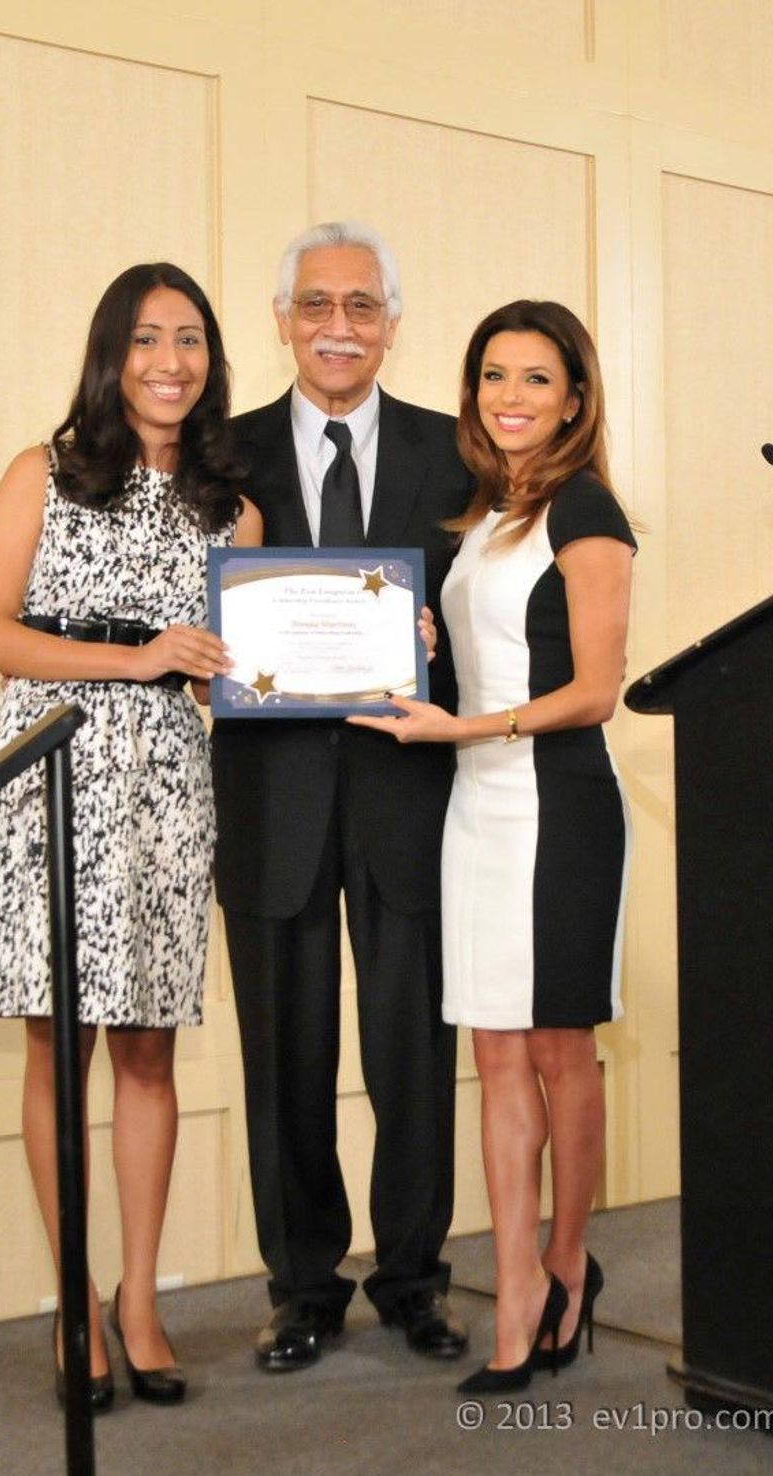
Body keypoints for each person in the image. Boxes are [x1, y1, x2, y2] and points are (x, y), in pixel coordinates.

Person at [0, 263, 261, 1409]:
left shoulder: (232, 508)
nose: (169, 363)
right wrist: (134, 657)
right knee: (59, 1044)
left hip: (171, 789)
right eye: (146, 340)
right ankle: (74, 1301)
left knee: (148, 1052)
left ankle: (140, 1301)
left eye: (189, 340)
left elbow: (253, 670)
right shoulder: (40, 473)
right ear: (110, 353)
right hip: (50, 774)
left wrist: (383, 638)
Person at [351, 300, 635, 1393]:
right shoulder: (481, 516)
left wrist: (460, 725)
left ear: (573, 396)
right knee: (494, 1057)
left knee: (559, 1055)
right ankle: (511, 1285)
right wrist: (420, 642)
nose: (509, 398)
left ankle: (566, 1267)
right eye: (492, 377)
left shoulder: (587, 509)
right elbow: (488, 655)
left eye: (534, 379)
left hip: (555, 808)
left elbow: (592, 690)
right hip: (474, 809)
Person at [211, 221, 473, 1371]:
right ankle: (303, 1285)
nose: (337, 326)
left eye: (361, 306)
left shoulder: (455, 451)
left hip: (407, 798)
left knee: (413, 1048)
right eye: (315, 304)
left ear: (390, 325)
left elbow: (495, 633)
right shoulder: (220, 454)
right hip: (269, 802)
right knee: (285, 1057)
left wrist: (435, 645)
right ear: (281, 321)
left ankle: (414, 1276)